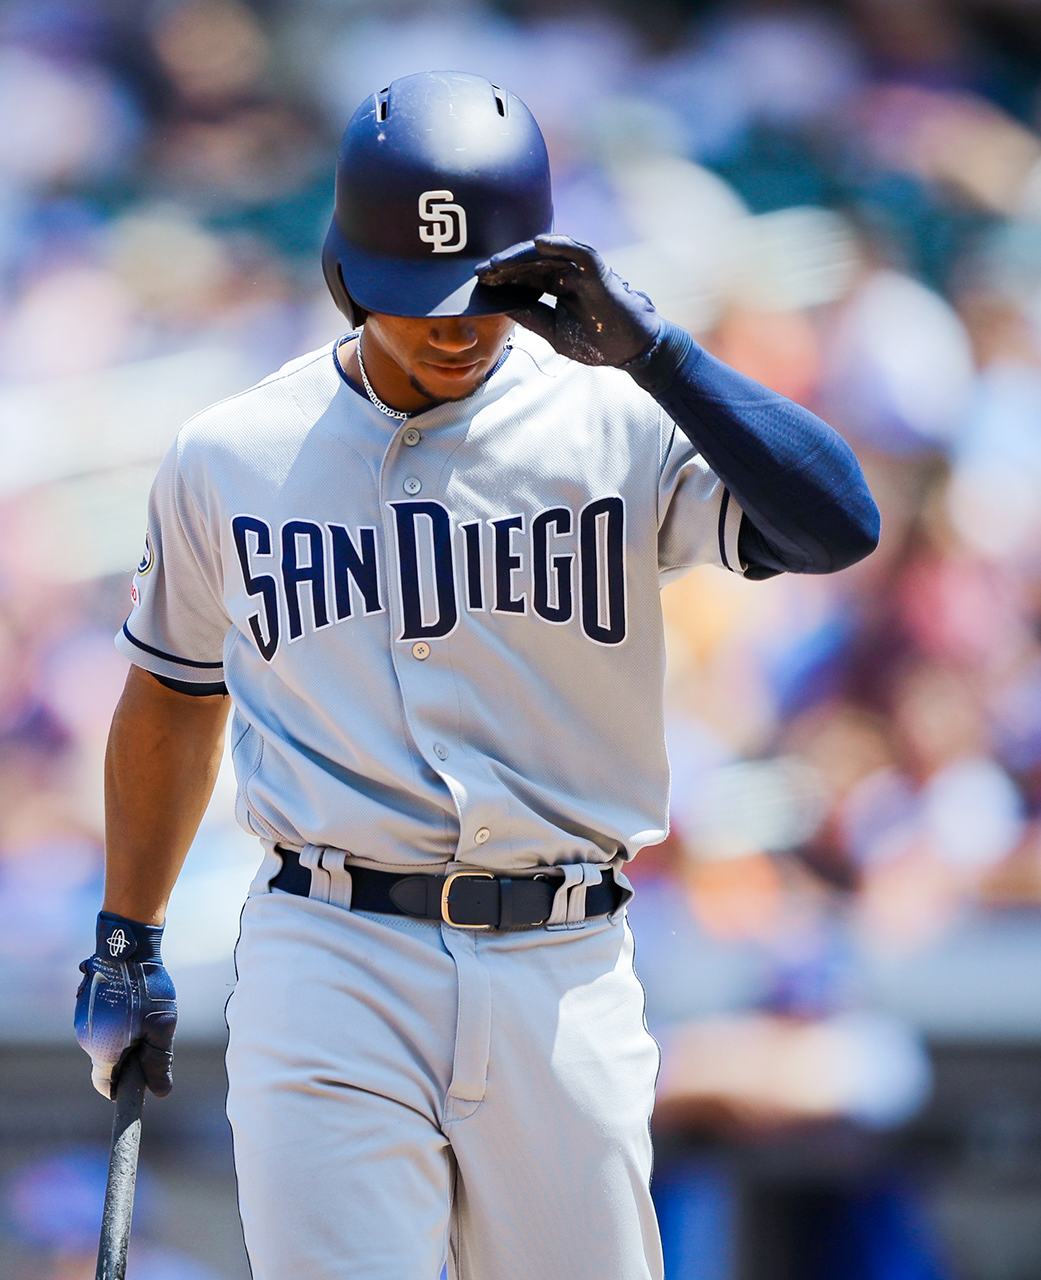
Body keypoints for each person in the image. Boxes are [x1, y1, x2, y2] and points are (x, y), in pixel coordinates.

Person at [73, 71, 878, 1279]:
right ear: (350, 274)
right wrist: (125, 936)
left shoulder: (616, 421)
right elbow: (173, 696)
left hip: (564, 956)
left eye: (481, 291)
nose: (454, 324)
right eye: (419, 296)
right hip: (331, 951)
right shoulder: (230, 454)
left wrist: (660, 356)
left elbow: (838, 525)